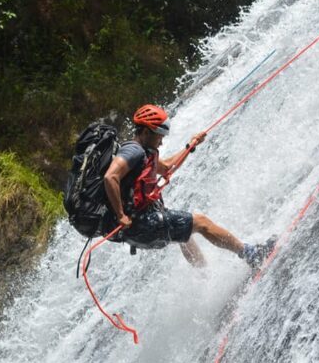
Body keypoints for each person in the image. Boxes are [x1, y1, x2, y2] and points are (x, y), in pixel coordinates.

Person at [102, 104, 274, 268]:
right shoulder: (133, 151)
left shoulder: (144, 152)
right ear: (146, 132)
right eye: (159, 136)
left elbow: (168, 166)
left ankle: (205, 276)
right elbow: (111, 177)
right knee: (201, 222)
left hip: (138, 228)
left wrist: (190, 145)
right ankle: (252, 254)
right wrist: (120, 215)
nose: (161, 142)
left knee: (185, 233)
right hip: (140, 225)